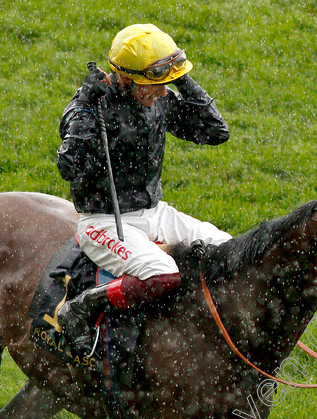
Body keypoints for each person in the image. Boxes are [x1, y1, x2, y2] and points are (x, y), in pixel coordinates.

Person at [55, 23, 232, 355]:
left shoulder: (158, 101)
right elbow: (68, 167)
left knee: (230, 250)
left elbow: (215, 131)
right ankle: (79, 308)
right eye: (155, 86)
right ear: (125, 79)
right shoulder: (90, 106)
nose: (163, 94)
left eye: (165, 86)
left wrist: (179, 76)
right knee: (161, 273)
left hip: (155, 213)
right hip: (103, 221)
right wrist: (85, 107)